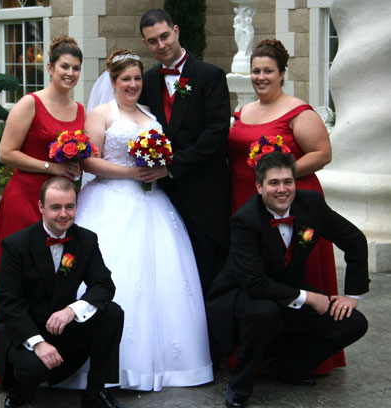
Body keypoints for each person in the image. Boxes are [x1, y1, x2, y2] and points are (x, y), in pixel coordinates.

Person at [75, 49, 214, 392]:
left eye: (137, 78)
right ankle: (108, 366)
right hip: (109, 200)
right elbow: (89, 162)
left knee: (163, 278)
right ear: (113, 81)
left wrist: (160, 168)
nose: (133, 84)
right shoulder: (100, 114)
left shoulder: (150, 115)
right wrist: (131, 173)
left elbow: (164, 156)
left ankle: (167, 366)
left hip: (153, 205)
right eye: (126, 79)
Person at [208, 152, 369, 408]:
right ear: (259, 187)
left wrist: (352, 294)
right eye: (273, 183)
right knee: (264, 311)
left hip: (285, 290)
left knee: (353, 323)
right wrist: (309, 297)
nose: (282, 190)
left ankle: (287, 365)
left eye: (288, 181)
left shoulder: (312, 204)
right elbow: (254, 283)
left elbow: (355, 241)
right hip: (243, 294)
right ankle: (239, 386)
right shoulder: (245, 220)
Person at [227, 38, 344, 373]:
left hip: (289, 203)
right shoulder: (243, 112)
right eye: (255, 71)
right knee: (257, 277)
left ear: (281, 74)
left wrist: (280, 175)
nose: (260, 77)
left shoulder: (298, 111)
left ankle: (300, 355)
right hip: (245, 203)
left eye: (268, 71)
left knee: (297, 274)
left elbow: (323, 154)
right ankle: (258, 350)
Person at [0, 35, 84, 384]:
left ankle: (44, 360)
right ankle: (5, 364)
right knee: (16, 279)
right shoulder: (30, 103)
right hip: (24, 198)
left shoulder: (79, 110)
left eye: (76, 68)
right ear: (50, 68)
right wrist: (51, 168)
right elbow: (6, 153)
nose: (70, 73)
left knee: (50, 280)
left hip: (58, 206)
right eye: (64, 67)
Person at [0, 177, 125, 408]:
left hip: (61, 326)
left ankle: (95, 393)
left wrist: (72, 310)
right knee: (34, 368)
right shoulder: (16, 245)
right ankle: (18, 396)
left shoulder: (86, 240)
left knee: (112, 313)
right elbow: (9, 302)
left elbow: (104, 285)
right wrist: (38, 343)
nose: (64, 214)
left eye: (69, 207)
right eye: (55, 207)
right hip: (24, 332)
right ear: (41, 207)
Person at [138, 9, 231, 300]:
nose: (161, 45)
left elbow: (215, 134)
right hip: (165, 196)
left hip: (205, 192)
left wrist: (172, 167)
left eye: (165, 36)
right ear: (146, 44)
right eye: (153, 41)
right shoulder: (148, 81)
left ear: (176, 31)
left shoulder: (209, 75)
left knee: (207, 272)